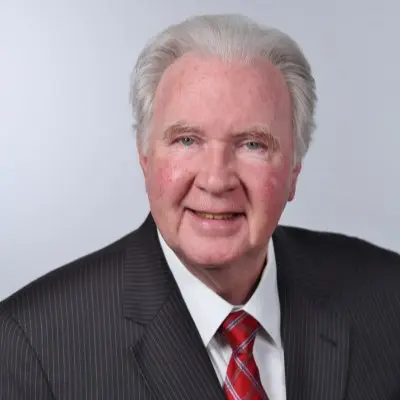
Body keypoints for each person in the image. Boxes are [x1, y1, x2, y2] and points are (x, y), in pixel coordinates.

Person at [1, 13, 400, 400]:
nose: (216, 180)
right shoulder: (31, 346)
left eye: (252, 144)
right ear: (145, 159)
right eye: (187, 140)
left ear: (295, 169)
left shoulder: (386, 296)